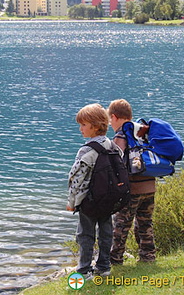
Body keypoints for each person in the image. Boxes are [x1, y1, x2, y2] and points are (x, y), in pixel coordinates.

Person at [67, 103, 116, 278]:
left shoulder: (86, 150)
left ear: (95, 126)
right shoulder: (112, 145)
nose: (80, 129)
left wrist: (72, 202)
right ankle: (104, 266)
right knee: (106, 232)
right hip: (108, 199)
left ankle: (84, 269)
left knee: (85, 234)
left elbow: (76, 179)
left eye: (83, 125)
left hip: (89, 200)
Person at [108, 99, 157, 264]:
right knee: (145, 223)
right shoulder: (142, 132)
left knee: (121, 225)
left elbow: (116, 163)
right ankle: (148, 256)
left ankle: (115, 259)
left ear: (114, 117)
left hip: (132, 189)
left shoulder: (122, 135)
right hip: (150, 185)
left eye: (110, 120)